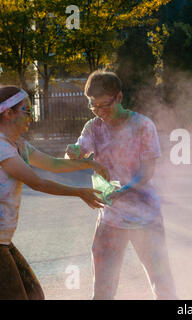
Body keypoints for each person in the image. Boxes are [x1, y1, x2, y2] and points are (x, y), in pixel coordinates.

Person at [65, 70, 177, 300]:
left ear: (119, 97)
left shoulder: (143, 126)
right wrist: (74, 153)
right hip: (110, 218)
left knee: (162, 283)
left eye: (104, 105)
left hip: (145, 217)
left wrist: (123, 190)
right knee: (102, 289)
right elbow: (76, 155)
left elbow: (147, 171)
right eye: (93, 106)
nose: (99, 112)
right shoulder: (94, 127)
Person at [0, 85, 108, 300]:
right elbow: (37, 183)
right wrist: (80, 192)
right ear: (8, 113)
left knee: (34, 295)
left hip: (3, 240)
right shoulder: (2, 148)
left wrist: (89, 164)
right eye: (26, 111)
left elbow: (53, 164)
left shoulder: (19, 145)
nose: (31, 116)